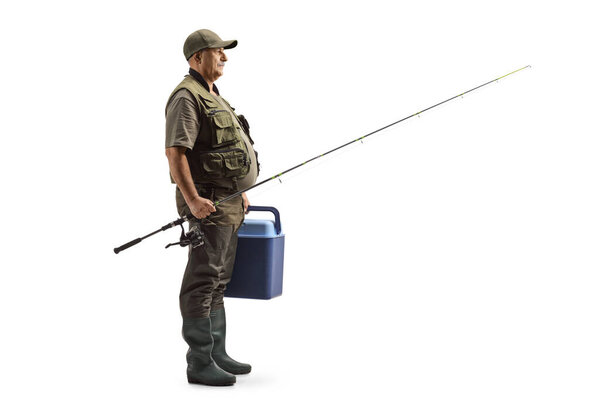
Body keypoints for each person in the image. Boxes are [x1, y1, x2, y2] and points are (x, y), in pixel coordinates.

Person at [164, 29, 259, 386]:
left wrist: (240, 191)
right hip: (208, 204)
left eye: (223, 52)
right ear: (195, 58)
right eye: (217, 51)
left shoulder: (212, 94)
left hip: (228, 200)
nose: (224, 57)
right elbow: (176, 152)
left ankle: (217, 352)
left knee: (219, 278)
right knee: (203, 279)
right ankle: (199, 361)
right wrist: (192, 199)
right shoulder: (187, 97)